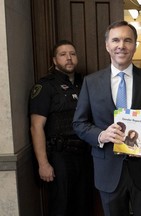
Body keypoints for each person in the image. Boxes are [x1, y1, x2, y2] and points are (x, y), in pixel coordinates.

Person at [72, 20, 141, 216]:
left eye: (128, 40)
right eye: (115, 40)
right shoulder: (91, 82)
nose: (121, 46)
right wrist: (101, 135)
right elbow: (79, 123)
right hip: (108, 170)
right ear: (107, 46)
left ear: (135, 45)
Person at [29, 40, 93, 216]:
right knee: (61, 207)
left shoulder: (85, 83)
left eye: (72, 54)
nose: (69, 58)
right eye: (63, 55)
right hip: (60, 157)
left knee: (84, 205)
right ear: (55, 60)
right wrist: (43, 164)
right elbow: (36, 127)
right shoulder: (45, 87)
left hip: (85, 155)